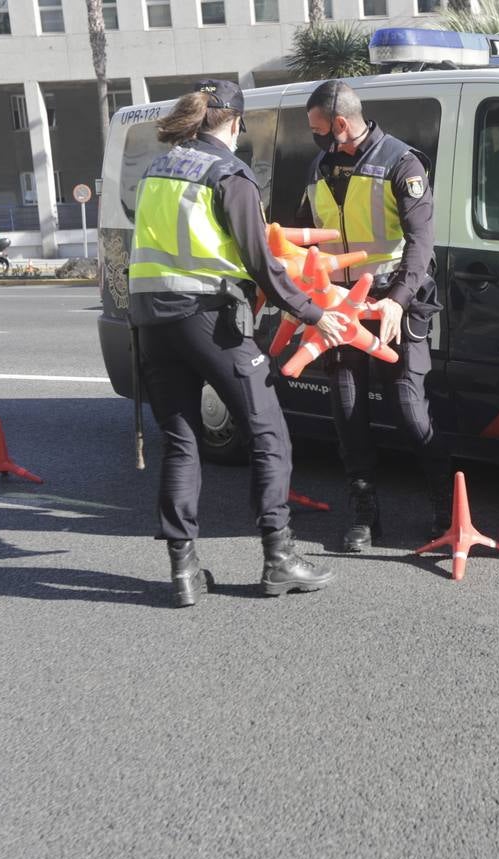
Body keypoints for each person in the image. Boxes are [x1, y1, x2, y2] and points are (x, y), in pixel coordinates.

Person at [129, 79, 348, 606]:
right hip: (207, 315)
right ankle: (279, 558)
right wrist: (314, 312)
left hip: (151, 320)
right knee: (268, 429)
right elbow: (261, 263)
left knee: (181, 441)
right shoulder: (230, 173)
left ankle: (183, 571)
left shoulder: (157, 169)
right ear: (235, 122)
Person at [300, 79, 451, 553]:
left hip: (394, 304)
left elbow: (421, 243)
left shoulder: (402, 164)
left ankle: (446, 506)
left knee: (409, 408)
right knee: (348, 411)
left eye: (317, 127)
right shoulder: (319, 167)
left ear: (340, 124)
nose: (314, 135)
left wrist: (397, 300)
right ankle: (364, 513)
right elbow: (310, 239)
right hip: (341, 310)